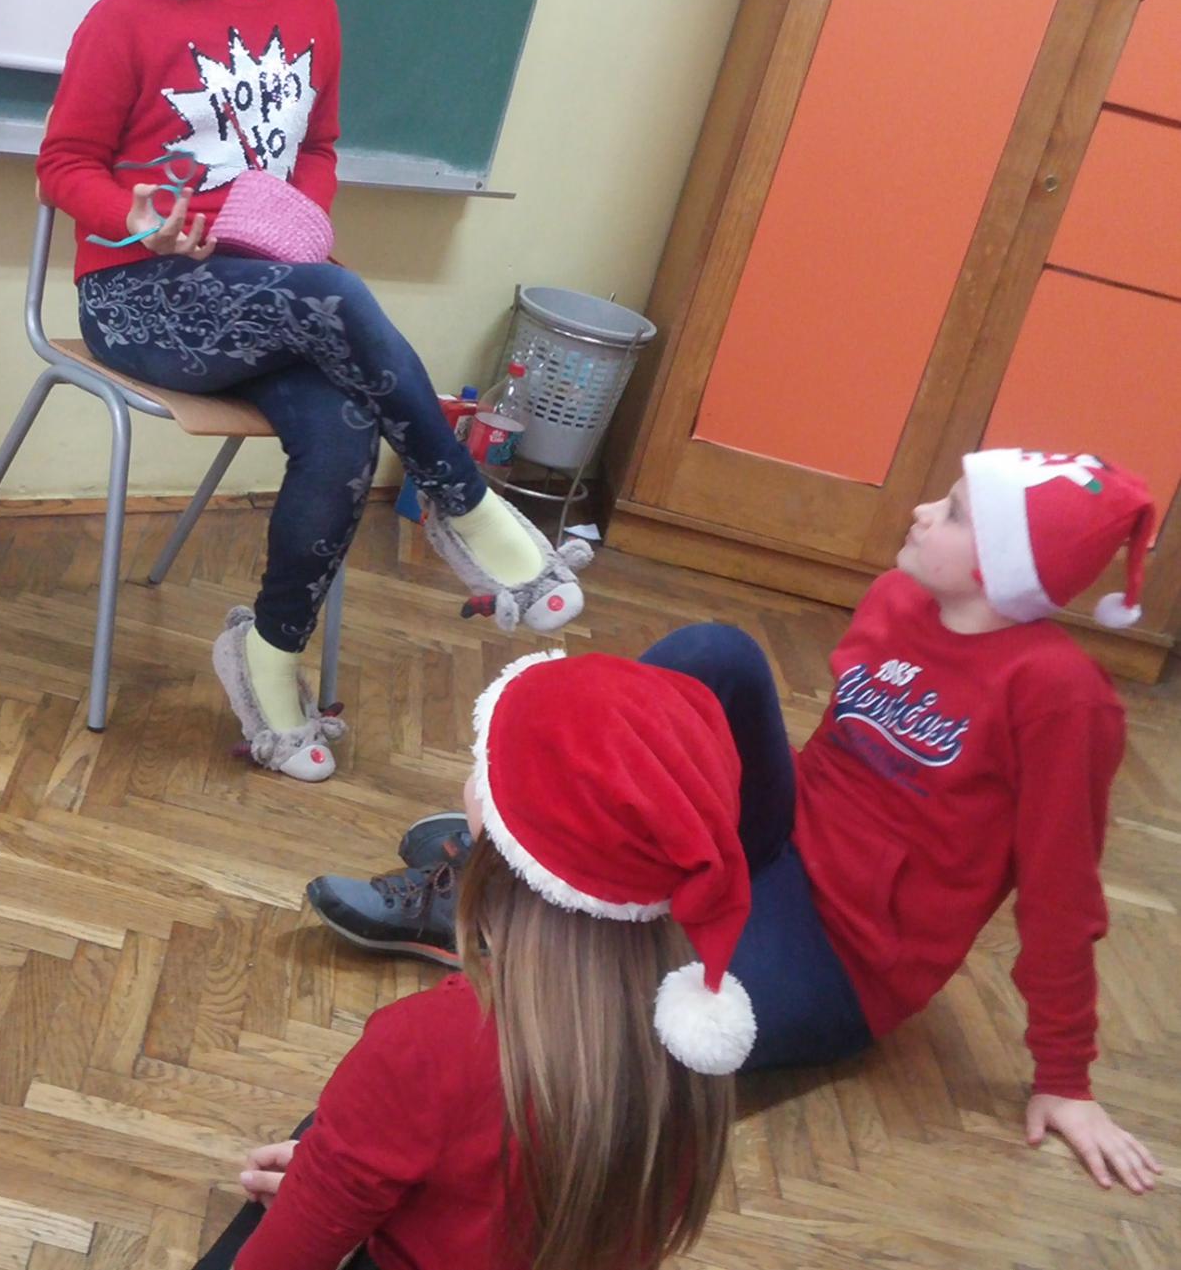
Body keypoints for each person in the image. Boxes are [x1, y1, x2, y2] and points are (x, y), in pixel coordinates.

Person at [308, 449, 1166, 1195]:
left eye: (953, 513)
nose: (919, 510)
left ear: (1005, 566)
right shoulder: (899, 598)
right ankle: (510, 853)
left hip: (846, 954)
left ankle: (507, 919)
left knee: (631, 1031)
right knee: (716, 655)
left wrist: (1066, 1076)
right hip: (778, 837)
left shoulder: (1061, 700)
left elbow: (1061, 894)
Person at [37, 0, 588, 783]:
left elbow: (319, 146)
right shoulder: (124, 18)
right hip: (140, 296)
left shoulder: (312, 7)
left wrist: (299, 221)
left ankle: (268, 654)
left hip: (269, 294)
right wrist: (139, 217)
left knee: (343, 427)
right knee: (336, 295)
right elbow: (63, 165)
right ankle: (464, 503)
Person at [194, 653, 744, 1269]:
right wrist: (342, 1172)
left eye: (481, 762)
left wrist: (330, 1190)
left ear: (495, 833)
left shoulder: (430, 1045)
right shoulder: (692, 1034)